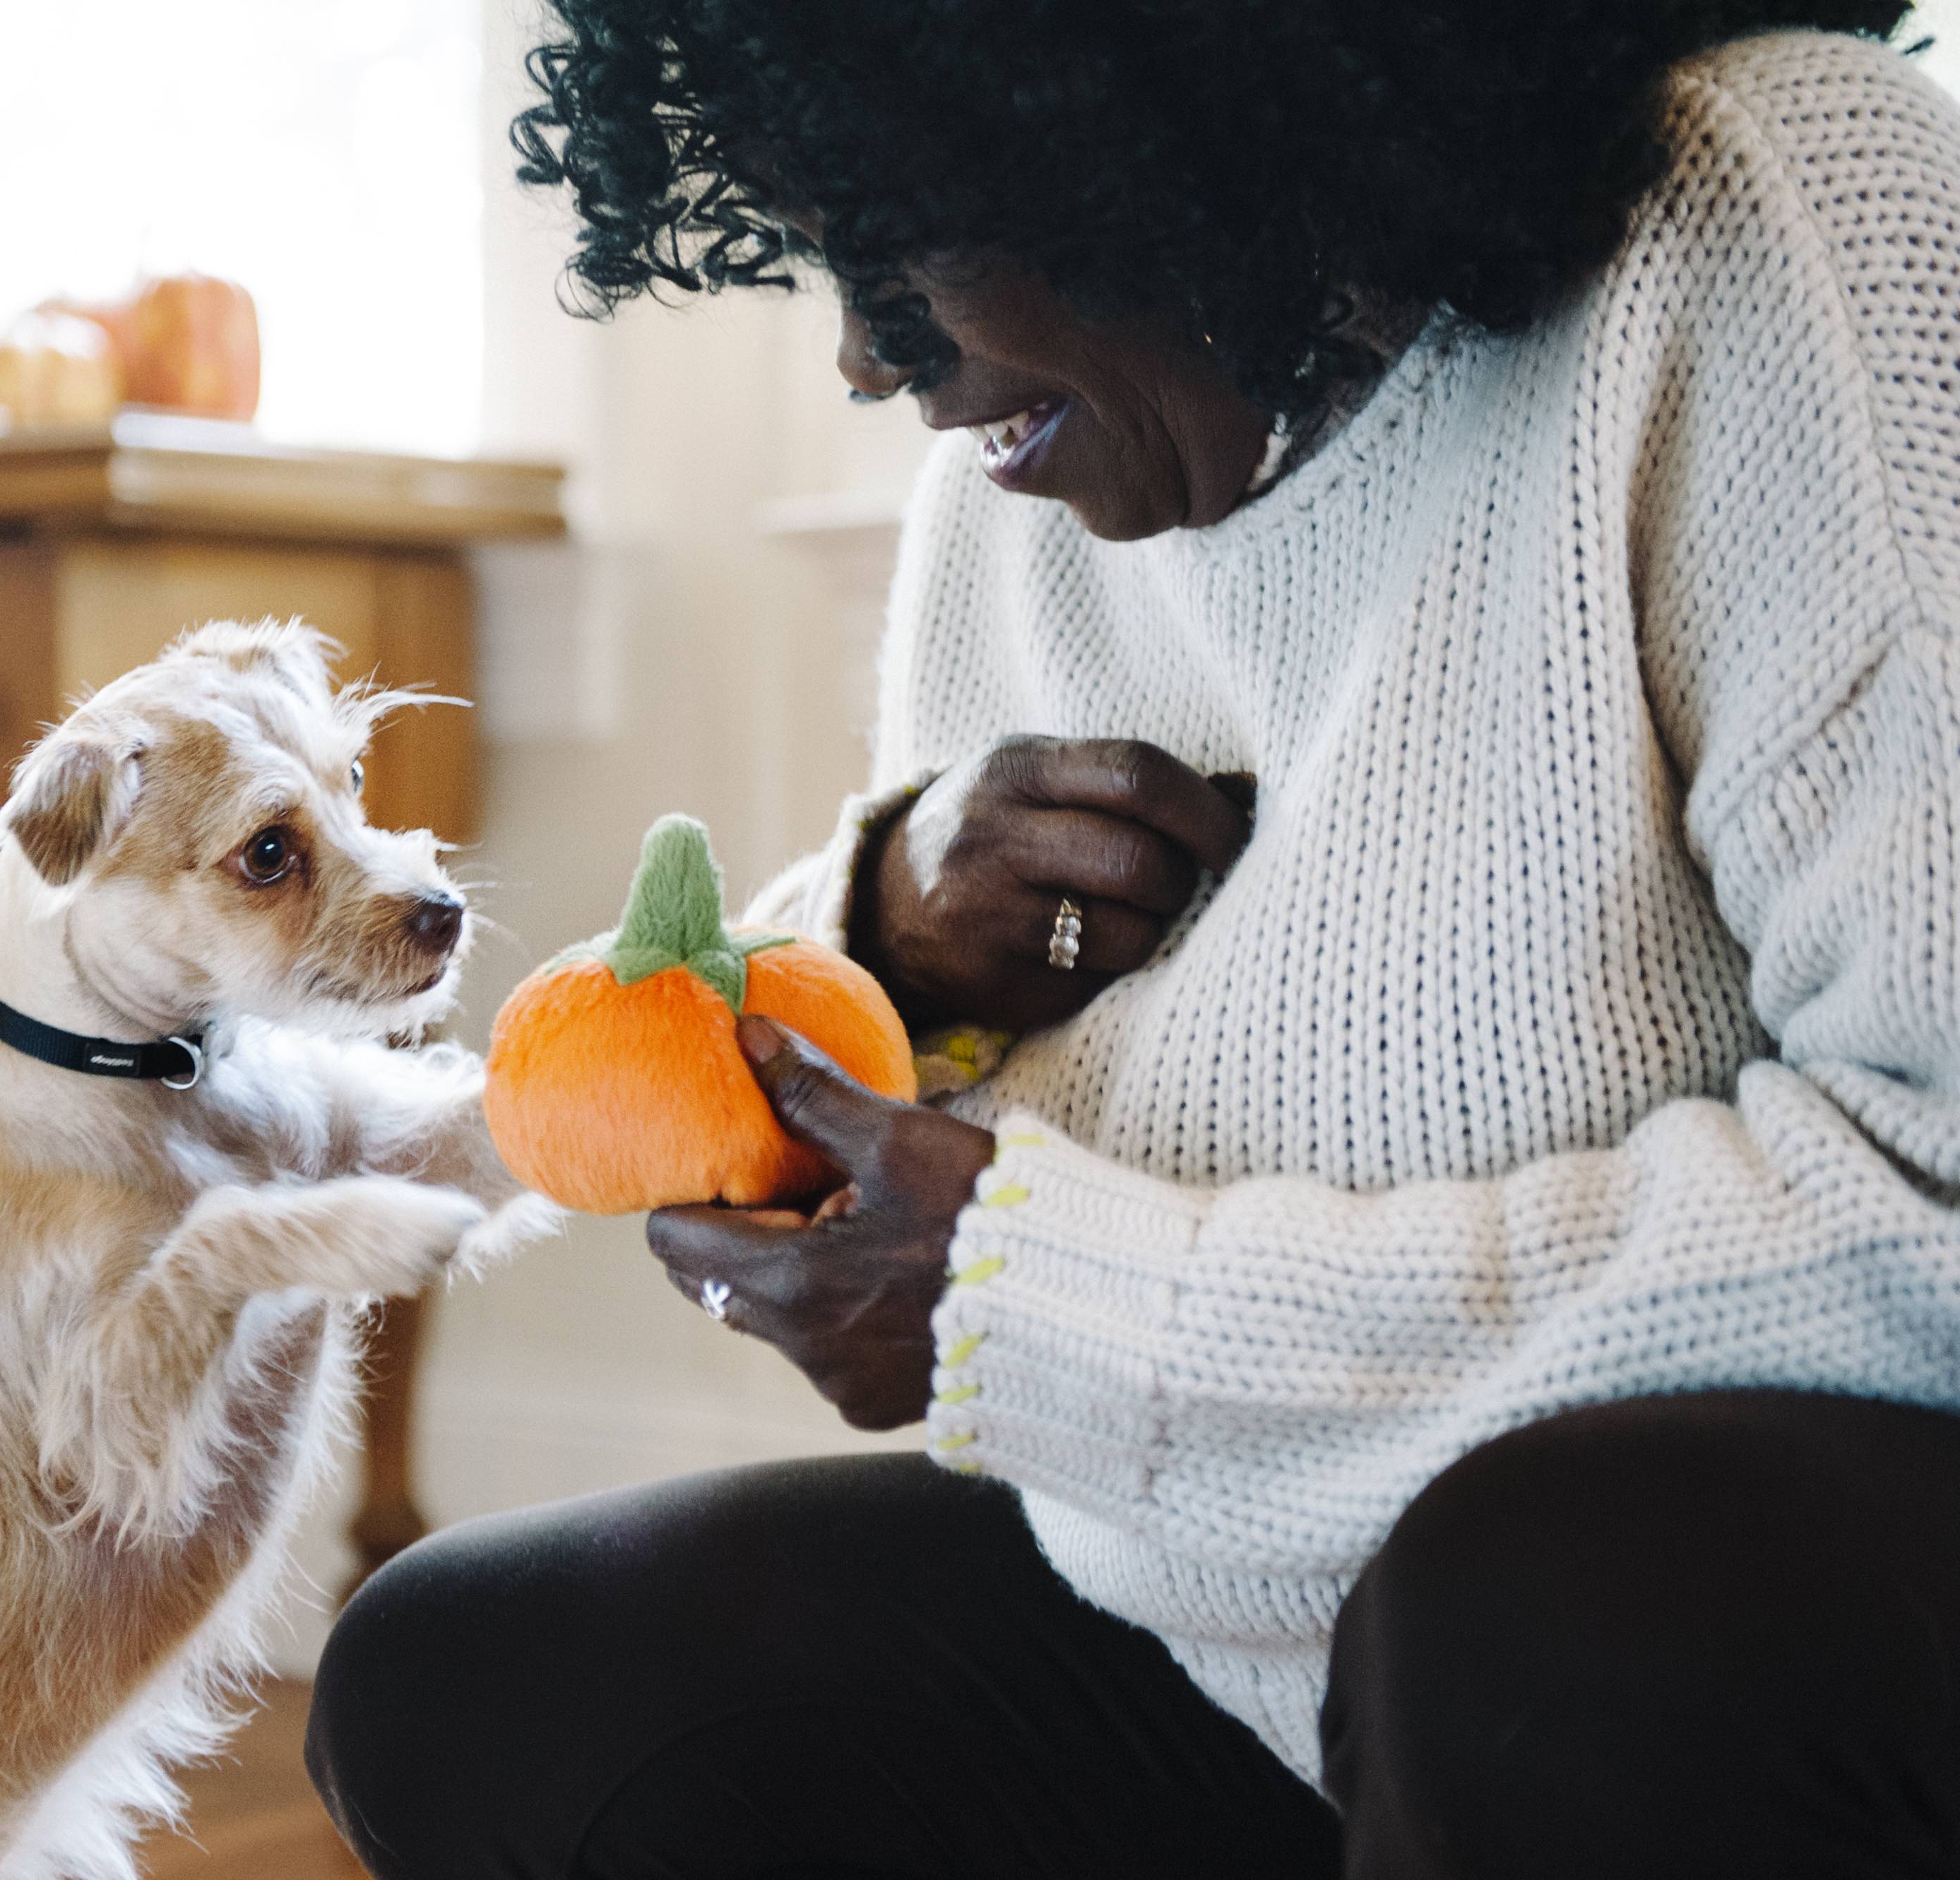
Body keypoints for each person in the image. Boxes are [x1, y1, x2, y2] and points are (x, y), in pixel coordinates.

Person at [308, 2, 1960, 1875]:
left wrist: (1045, 1309)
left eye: (911, 233)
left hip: (1694, 1637)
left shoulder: (1771, 213)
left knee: (1543, 1614)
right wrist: (895, 938)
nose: (866, 361)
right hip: (1264, 1624)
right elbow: (909, 1038)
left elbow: (1941, 1199)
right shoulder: (1033, 461)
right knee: (478, 1673)